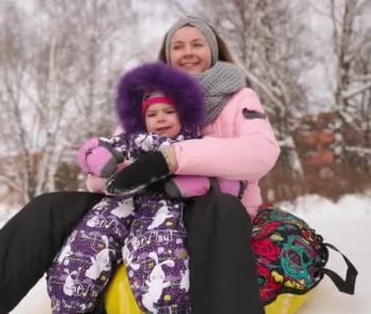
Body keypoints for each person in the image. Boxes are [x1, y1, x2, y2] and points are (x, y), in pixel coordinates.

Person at [0, 16, 280, 314]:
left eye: (197, 43)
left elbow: (261, 153)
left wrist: (172, 159)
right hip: (138, 206)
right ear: (167, 57)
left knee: (219, 209)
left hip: (202, 205)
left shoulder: (238, 98)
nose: (187, 52)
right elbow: (110, 162)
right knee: (50, 207)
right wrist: (109, 176)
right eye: (178, 46)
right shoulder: (146, 102)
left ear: (213, 50)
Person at [47, 63, 247, 314]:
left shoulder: (194, 146)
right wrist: (101, 160)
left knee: (163, 284)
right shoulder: (129, 143)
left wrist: (198, 183)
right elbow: (90, 150)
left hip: (159, 218)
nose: (160, 118)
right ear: (143, 119)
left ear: (183, 115)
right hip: (116, 209)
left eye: (168, 111)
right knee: (77, 264)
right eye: (152, 115)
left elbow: (231, 179)